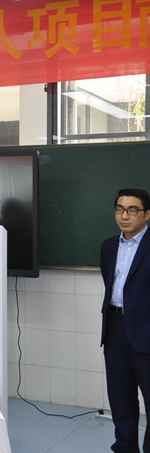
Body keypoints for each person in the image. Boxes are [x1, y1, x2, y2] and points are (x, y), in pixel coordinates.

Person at [100, 188, 150, 453]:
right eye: (120, 209)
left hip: (146, 332)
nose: (125, 216)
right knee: (121, 401)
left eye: (132, 210)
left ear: (147, 214)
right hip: (115, 330)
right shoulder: (108, 246)